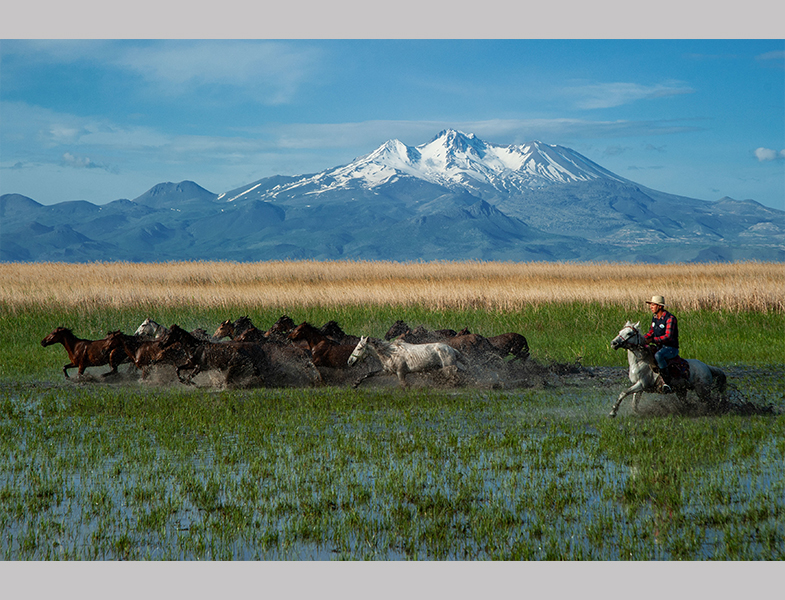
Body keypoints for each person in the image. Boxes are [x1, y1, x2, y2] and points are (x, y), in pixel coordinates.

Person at [644, 295, 679, 393]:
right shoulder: (655, 318)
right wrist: (642, 339)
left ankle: (666, 382)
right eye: (650, 304)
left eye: (653, 305)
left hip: (671, 348)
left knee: (658, 355)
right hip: (660, 347)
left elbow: (668, 337)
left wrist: (653, 340)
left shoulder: (670, 318)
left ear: (660, 306)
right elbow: (650, 332)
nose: (651, 307)